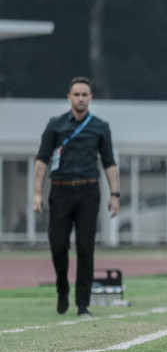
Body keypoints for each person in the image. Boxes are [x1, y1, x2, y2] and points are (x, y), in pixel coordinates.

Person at [33, 77, 120, 316]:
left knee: (85, 247)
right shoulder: (55, 125)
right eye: (76, 94)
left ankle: (82, 304)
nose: (81, 98)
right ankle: (62, 288)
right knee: (58, 246)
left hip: (88, 191)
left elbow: (109, 162)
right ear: (69, 97)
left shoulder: (101, 127)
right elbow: (42, 159)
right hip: (60, 190)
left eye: (85, 94)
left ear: (91, 98)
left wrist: (115, 194)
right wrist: (37, 193)